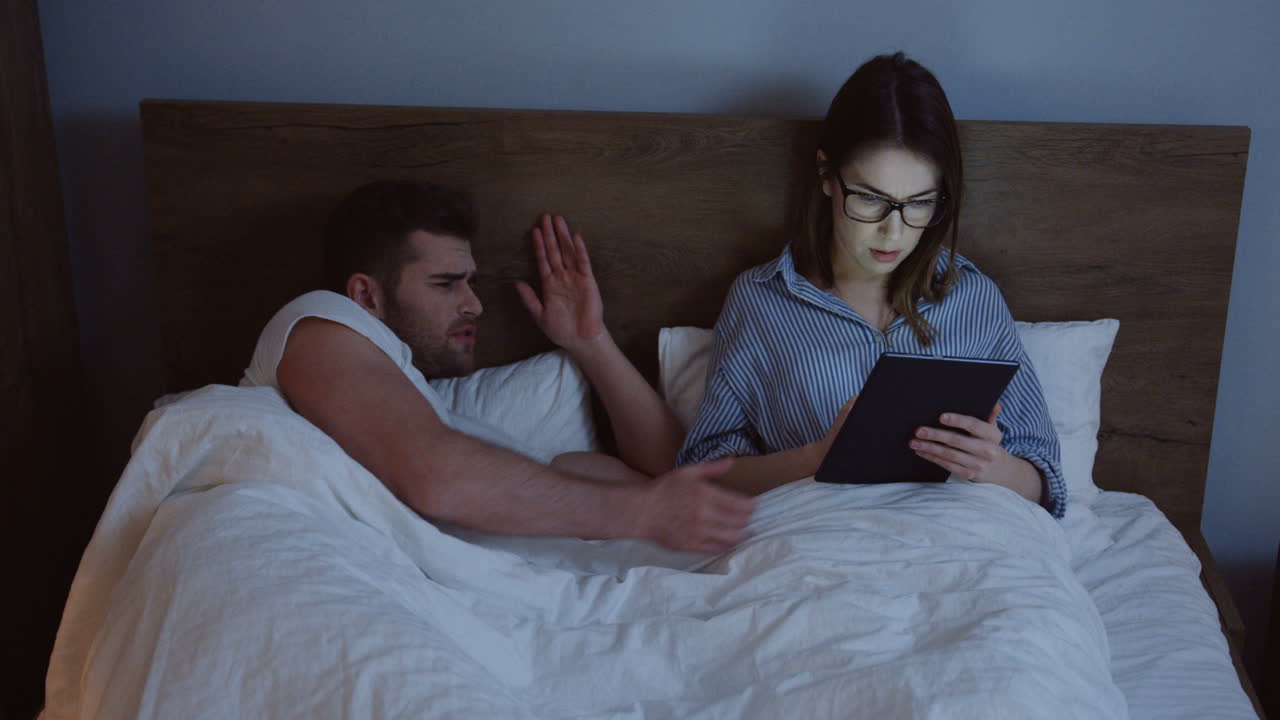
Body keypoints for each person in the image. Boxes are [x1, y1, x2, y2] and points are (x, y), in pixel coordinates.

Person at [241, 179, 755, 552]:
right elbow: (436, 476)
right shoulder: (318, 322)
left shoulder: (436, 417)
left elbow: (678, 471)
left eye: (471, 283)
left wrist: (591, 342)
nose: (474, 305)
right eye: (446, 284)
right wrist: (643, 513)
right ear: (365, 295)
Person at [677, 52, 1066, 518]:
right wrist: (811, 459)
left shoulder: (973, 297)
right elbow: (702, 474)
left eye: (919, 203)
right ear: (827, 176)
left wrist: (993, 465)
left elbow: (1048, 485)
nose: (894, 233)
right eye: (870, 198)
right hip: (818, 544)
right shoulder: (761, 301)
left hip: (964, 544)